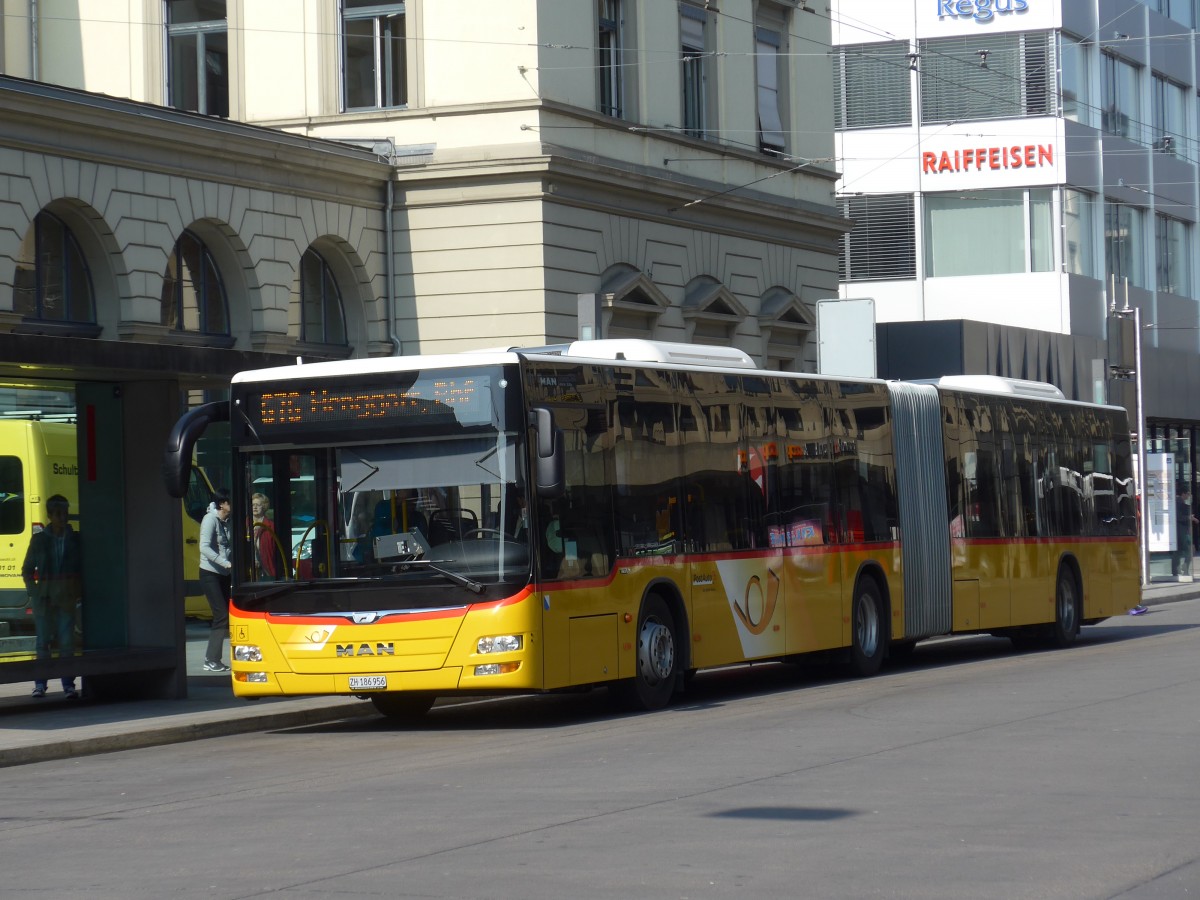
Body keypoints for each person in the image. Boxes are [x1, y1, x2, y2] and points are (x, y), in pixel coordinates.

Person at [22, 494, 82, 699]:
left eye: (65, 513)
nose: (63, 518)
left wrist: (77, 591)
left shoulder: (74, 538)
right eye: (58, 514)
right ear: (49, 515)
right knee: (43, 642)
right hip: (45, 598)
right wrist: (35, 592)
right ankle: (40, 683)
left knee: (66, 642)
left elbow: (82, 568)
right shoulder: (39, 540)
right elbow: (27, 569)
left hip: (65, 597)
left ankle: (68, 684)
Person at [199, 488, 233, 672]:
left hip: (225, 574)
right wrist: (225, 563)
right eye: (230, 501)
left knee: (227, 614)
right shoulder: (210, 519)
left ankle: (214, 658)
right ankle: (211, 659)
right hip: (210, 573)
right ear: (222, 504)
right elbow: (203, 547)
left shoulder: (228, 521)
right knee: (221, 615)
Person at [250, 492, 280, 579]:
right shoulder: (245, 524)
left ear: (264, 506)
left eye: (258, 505)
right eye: (253, 504)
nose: (255, 507)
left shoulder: (270, 526)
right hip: (248, 571)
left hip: (266, 570)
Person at [1173, 487, 1197, 578]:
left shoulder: (1180, 502)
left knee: (1179, 551)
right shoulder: (1178, 502)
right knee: (1189, 550)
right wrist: (1189, 517)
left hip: (1180, 531)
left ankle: (1178, 570)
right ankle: (1184, 568)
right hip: (1181, 531)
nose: (1189, 496)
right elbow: (1179, 517)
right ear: (1183, 494)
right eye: (1188, 493)